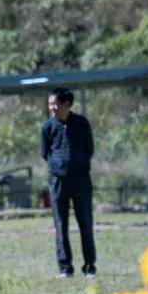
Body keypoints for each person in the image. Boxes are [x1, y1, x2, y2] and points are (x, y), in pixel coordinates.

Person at [41, 87, 96, 279]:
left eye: (55, 104)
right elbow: (45, 153)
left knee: (85, 222)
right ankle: (65, 268)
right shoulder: (48, 127)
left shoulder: (81, 123)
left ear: (66, 104)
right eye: (50, 104)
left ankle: (90, 266)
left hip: (81, 180)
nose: (52, 108)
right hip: (58, 182)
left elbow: (89, 149)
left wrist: (78, 165)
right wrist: (58, 166)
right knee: (60, 224)